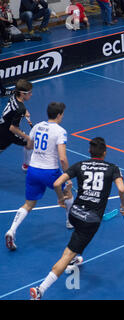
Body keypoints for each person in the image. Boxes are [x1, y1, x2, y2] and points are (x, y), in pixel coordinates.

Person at [30, 137, 124, 300]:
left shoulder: (80, 165)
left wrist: (61, 198)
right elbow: (122, 189)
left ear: (90, 152)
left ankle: (74, 258)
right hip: (90, 220)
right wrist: (123, 206)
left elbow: (57, 183)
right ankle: (40, 290)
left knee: (77, 237)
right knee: (67, 254)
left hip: (74, 213)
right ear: (105, 152)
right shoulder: (113, 168)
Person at [5, 102, 74, 251]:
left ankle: (12, 230)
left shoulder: (36, 126)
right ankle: (69, 221)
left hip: (33, 170)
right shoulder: (60, 131)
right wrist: (67, 177)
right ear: (59, 115)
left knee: (29, 204)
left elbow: (29, 146)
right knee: (68, 193)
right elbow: (62, 158)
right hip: (50, 172)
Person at [0, 79, 34, 171]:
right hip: (9, 131)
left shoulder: (14, 95)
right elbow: (13, 128)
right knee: (30, 143)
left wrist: (25, 111)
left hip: (2, 125)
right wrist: (26, 137)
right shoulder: (20, 109)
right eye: (29, 93)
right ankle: (26, 166)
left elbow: (15, 107)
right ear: (22, 94)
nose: (31, 94)